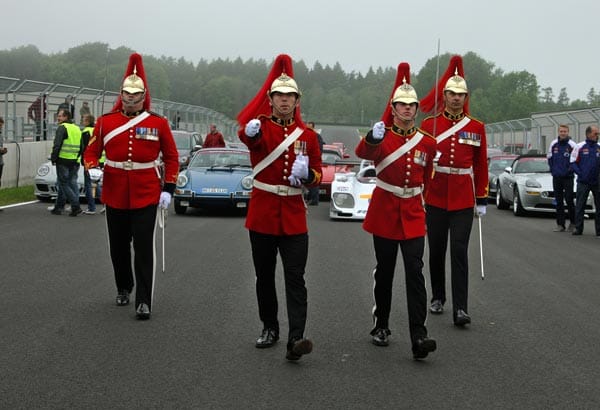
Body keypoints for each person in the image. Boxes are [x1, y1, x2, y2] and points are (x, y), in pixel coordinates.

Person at [237, 54, 322, 361]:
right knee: (264, 276)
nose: (284, 101)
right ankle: (269, 327)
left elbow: (317, 175)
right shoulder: (259, 127)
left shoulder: (308, 136)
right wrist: (250, 132)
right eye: (279, 96)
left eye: (290, 96)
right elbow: (251, 141)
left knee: (295, 277)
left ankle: (296, 337)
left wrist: (307, 176)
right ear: (270, 100)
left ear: (297, 101)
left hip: (294, 215)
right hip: (263, 213)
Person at [83, 53, 179, 320]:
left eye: (136, 95)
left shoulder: (157, 123)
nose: (131, 99)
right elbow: (91, 152)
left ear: (143, 96)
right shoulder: (106, 122)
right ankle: (124, 285)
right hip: (114, 192)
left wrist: (167, 190)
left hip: (146, 192)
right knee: (118, 246)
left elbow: (171, 157)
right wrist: (92, 168)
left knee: (143, 246)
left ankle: (144, 300)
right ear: (121, 94)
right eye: (127, 94)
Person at [355, 63, 437, 360]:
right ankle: (381, 325)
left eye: (411, 105)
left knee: (415, 272)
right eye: (401, 104)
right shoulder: (382, 136)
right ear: (393, 108)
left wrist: (422, 202)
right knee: (385, 271)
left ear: (416, 110)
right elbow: (363, 154)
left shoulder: (428, 143)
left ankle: (419, 335)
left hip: (413, 211)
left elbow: (427, 179)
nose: (406, 109)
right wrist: (373, 138)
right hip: (385, 211)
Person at [419, 55, 488, 326]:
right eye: (451, 93)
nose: (456, 98)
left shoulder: (476, 127)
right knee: (436, 249)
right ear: (444, 95)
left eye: (461, 94)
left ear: (465, 97)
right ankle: (438, 296)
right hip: (435, 195)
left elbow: (481, 165)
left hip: (462, 197)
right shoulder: (429, 125)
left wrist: (481, 198)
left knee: (459, 251)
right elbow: (420, 162)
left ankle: (461, 307)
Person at [49, 109, 83, 216]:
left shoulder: (62, 128)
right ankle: (58, 207)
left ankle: (75, 206)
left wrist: (54, 158)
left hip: (63, 159)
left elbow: (57, 144)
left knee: (63, 184)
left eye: (60, 116)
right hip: (74, 160)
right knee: (65, 183)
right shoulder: (77, 128)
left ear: (66, 117)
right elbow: (82, 146)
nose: (58, 118)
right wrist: (77, 157)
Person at [570, 125, 600, 236]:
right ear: (588, 134)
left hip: (597, 182)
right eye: (595, 133)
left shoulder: (599, 147)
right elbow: (573, 162)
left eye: (598, 134)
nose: (597, 136)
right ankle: (578, 228)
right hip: (583, 181)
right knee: (580, 205)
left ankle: (599, 230)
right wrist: (581, 174)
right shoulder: (579, 146)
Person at [547, 124, 576, 232]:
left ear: (568, 132)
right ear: (558, 132)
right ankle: (560, 224)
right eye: (561, 131)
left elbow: (575, 159)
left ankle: (573, 223)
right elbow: (549, 158)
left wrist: (569, 170)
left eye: (565, 131)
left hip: (568, 177)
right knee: (558, 201)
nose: (563, 133)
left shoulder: (572, 145)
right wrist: (553, 170)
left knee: (569, 200)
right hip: (557, 177)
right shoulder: (553, 144)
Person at [80, 114, 99, 214]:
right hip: (98, 160)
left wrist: (82, 160)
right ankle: (105, 204)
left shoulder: (86, 131)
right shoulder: (96, 130)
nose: (82, 121)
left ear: (87, 121)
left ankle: (91, 207)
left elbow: (85, 148)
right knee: (96, 183)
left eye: (83, 119)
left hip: (89, 161)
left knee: (88, 184)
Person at [305, 121, 324, 205]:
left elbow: (319, 149)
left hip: (312, 161)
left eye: (309, 126)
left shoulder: (317, 136)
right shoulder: (304, 135)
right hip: (304, 161)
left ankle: (314, 199)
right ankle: (307, 197)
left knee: (314, 180)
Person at [0, 116, 6, 191]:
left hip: (0, 162)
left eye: (1, 126)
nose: (1, 127)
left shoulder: (1, 135)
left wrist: (3, 150)